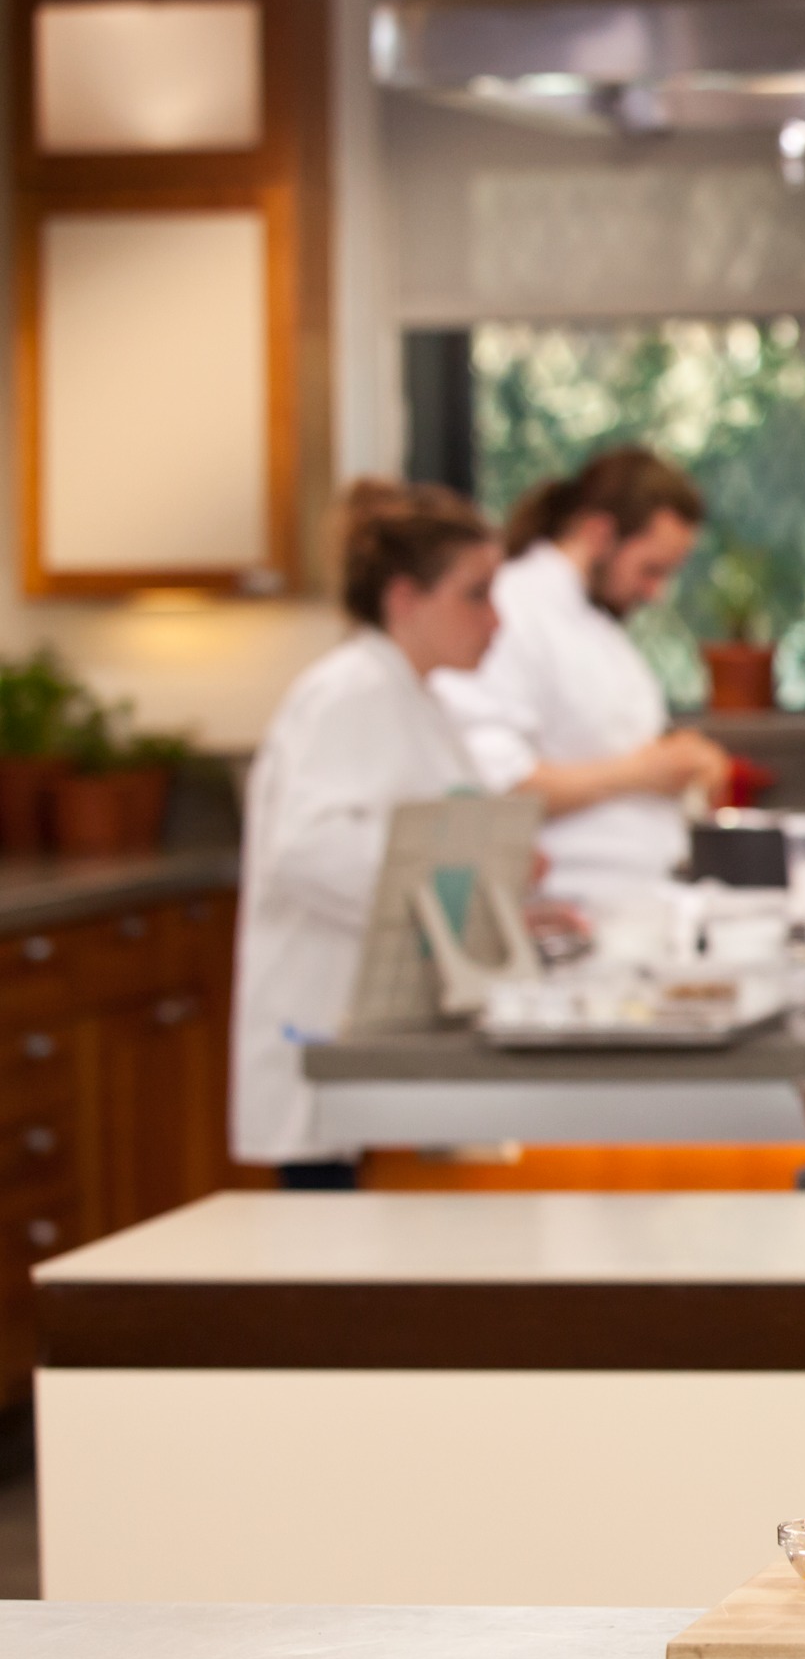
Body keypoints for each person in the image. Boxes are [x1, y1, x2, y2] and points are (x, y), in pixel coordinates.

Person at [232, 482, 504, 1183]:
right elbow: (307, 851)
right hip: (331, 1028)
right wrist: (455, 893)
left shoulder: (420, 700)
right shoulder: (350, 692)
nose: (495, 618)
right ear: (404, 598)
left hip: (385, 1029)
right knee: (329, 1256)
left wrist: (497, 892)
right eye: (475, 594)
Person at [434, 448, 732, 910]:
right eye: (650, 570)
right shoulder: (513, 610)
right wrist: (640, 773)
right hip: (566, 905)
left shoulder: (597, 625)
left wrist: (684, 765)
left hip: (637, 903)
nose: (655, 593)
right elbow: (492, 783)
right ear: (599, 534)